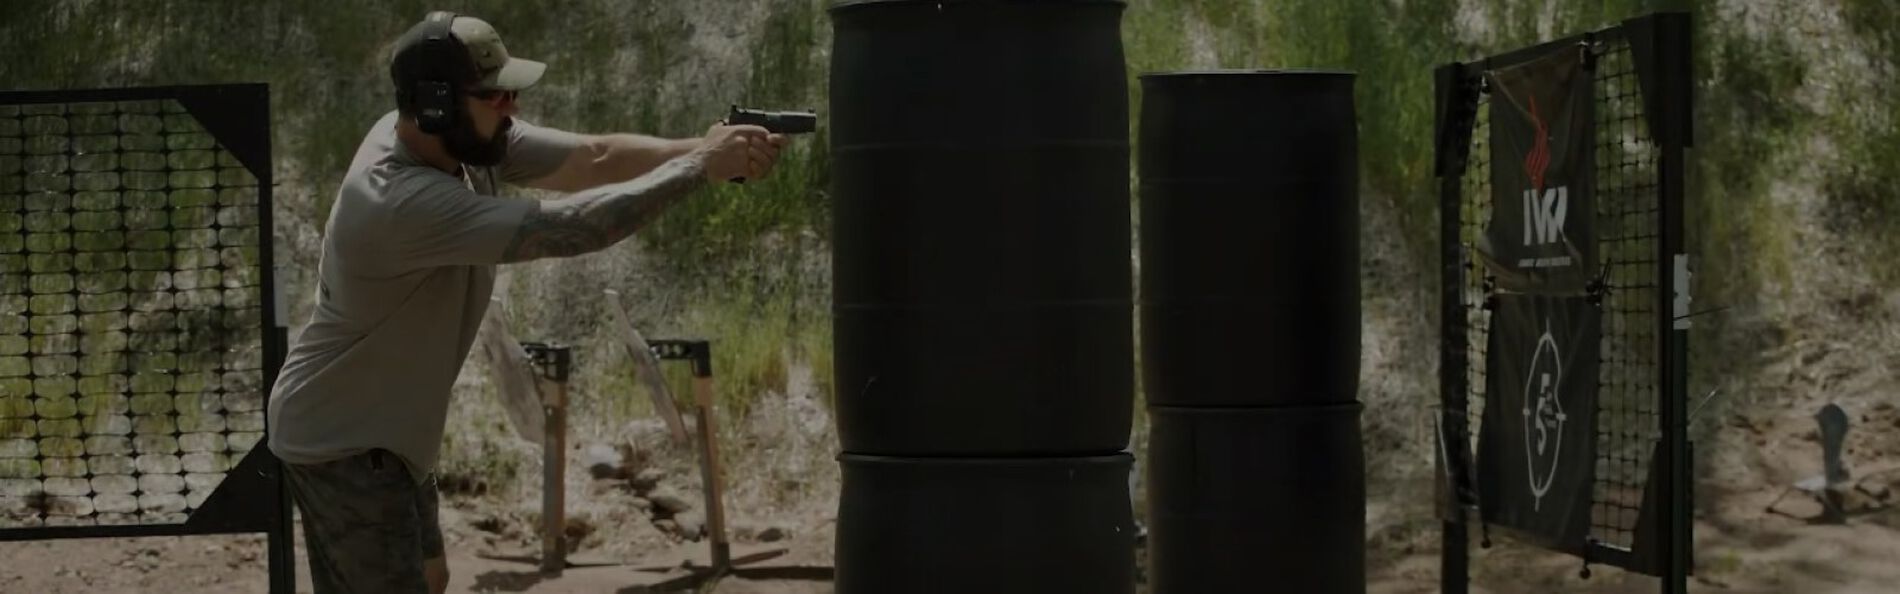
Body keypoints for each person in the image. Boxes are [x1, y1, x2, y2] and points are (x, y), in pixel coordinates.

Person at [264, 11, 787, 593]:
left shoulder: (461, 139)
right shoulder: (395, 200)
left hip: (392, 432)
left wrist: (710, 146)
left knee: (431, 576)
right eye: (494, 94)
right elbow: (578, 228)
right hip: (343, 441)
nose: (510, 104)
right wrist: (697, 169)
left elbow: (594, 156)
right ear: (436, 103)